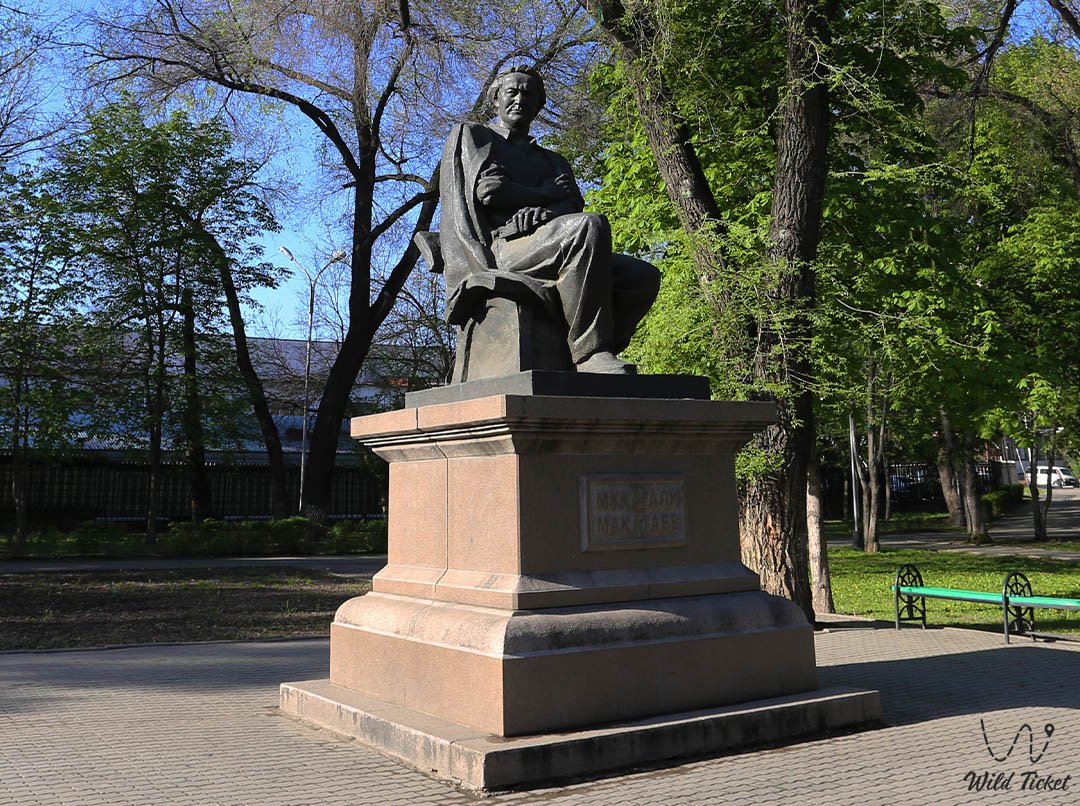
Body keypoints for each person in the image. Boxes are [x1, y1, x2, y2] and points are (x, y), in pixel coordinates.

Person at [439, 64, 660, 375]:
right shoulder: (476, 136)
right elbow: (491, 191)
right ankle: (590, 354)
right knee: (591, 225)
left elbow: (571, 207)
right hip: (500, 249)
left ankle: (576, 350)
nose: (520, 99)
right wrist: (546, 193)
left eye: (529, 94)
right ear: (495, 101)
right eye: (511, 92)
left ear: (539, 106)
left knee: (641, 276)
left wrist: (543, 213)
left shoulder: (553, 160)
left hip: (547, 242)